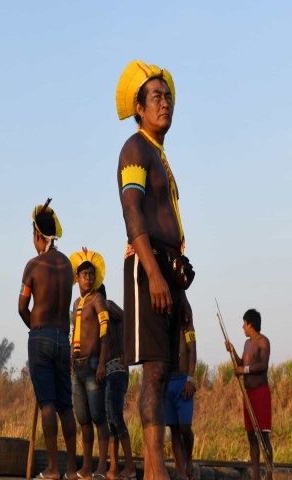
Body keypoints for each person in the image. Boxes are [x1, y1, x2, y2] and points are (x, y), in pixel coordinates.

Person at [116, 60, 194, 480]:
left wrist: (176, 283)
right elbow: (132, 212)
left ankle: (152, 470)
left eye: (167, 97)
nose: (166, 104)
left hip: (169, 266)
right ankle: (155, 472)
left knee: (166, 371)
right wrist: (154, 272)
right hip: (148, 265)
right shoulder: (135, 148)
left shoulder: (160, 155)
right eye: (156, 98)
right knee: (154, 370)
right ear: (139, 107)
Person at [18, 200, 77, 480]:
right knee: (66, 404)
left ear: (39, 236)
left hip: (40, 335)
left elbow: (21, 307)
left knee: (48, 404)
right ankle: (73, 469)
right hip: (63, 339)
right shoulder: (68, 266)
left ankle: (53, 468)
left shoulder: (33, 266)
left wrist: (36, 331)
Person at [69, 248, 110, 480]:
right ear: (77, 278)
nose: (88, 278)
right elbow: (74, 332)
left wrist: (102, 362)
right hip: (78, 367)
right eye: (84, 274)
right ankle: (86, 467)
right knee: (83, 419)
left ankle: (102, 468)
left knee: (98, 417)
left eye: (91, 274)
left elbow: (105, 332)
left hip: (94, 364)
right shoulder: (76, 303)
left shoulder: (98, 299)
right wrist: (70, 362)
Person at [225, 309, 273, 480]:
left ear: (250, 324)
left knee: (263, 435)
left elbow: (263, 366)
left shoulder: (263, 342)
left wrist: (243, 370)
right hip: (248, 395)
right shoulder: (247, 343)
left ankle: (268, 474)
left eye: (244, 323)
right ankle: (255, 476)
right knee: (251, 436)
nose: (242, 327)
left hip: (260, 393)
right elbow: (240, 364)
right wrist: (232, 351)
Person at [98, 285, 135, 480]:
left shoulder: (108, 306)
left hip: (118, 369)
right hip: (107, 372)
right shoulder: (99, 313)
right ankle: (113, 467)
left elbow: (128, 319)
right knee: (110, 421)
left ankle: (129, 467)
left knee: (116, 417)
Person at [165, 307, 196, 480]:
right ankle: (180, 468)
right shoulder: (165, 328)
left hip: (184, 381)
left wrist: (191, 379)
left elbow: (192, 352)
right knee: (174, 428)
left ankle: (189, 459)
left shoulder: (188, 329)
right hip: (168, 381)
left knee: (185, 427)